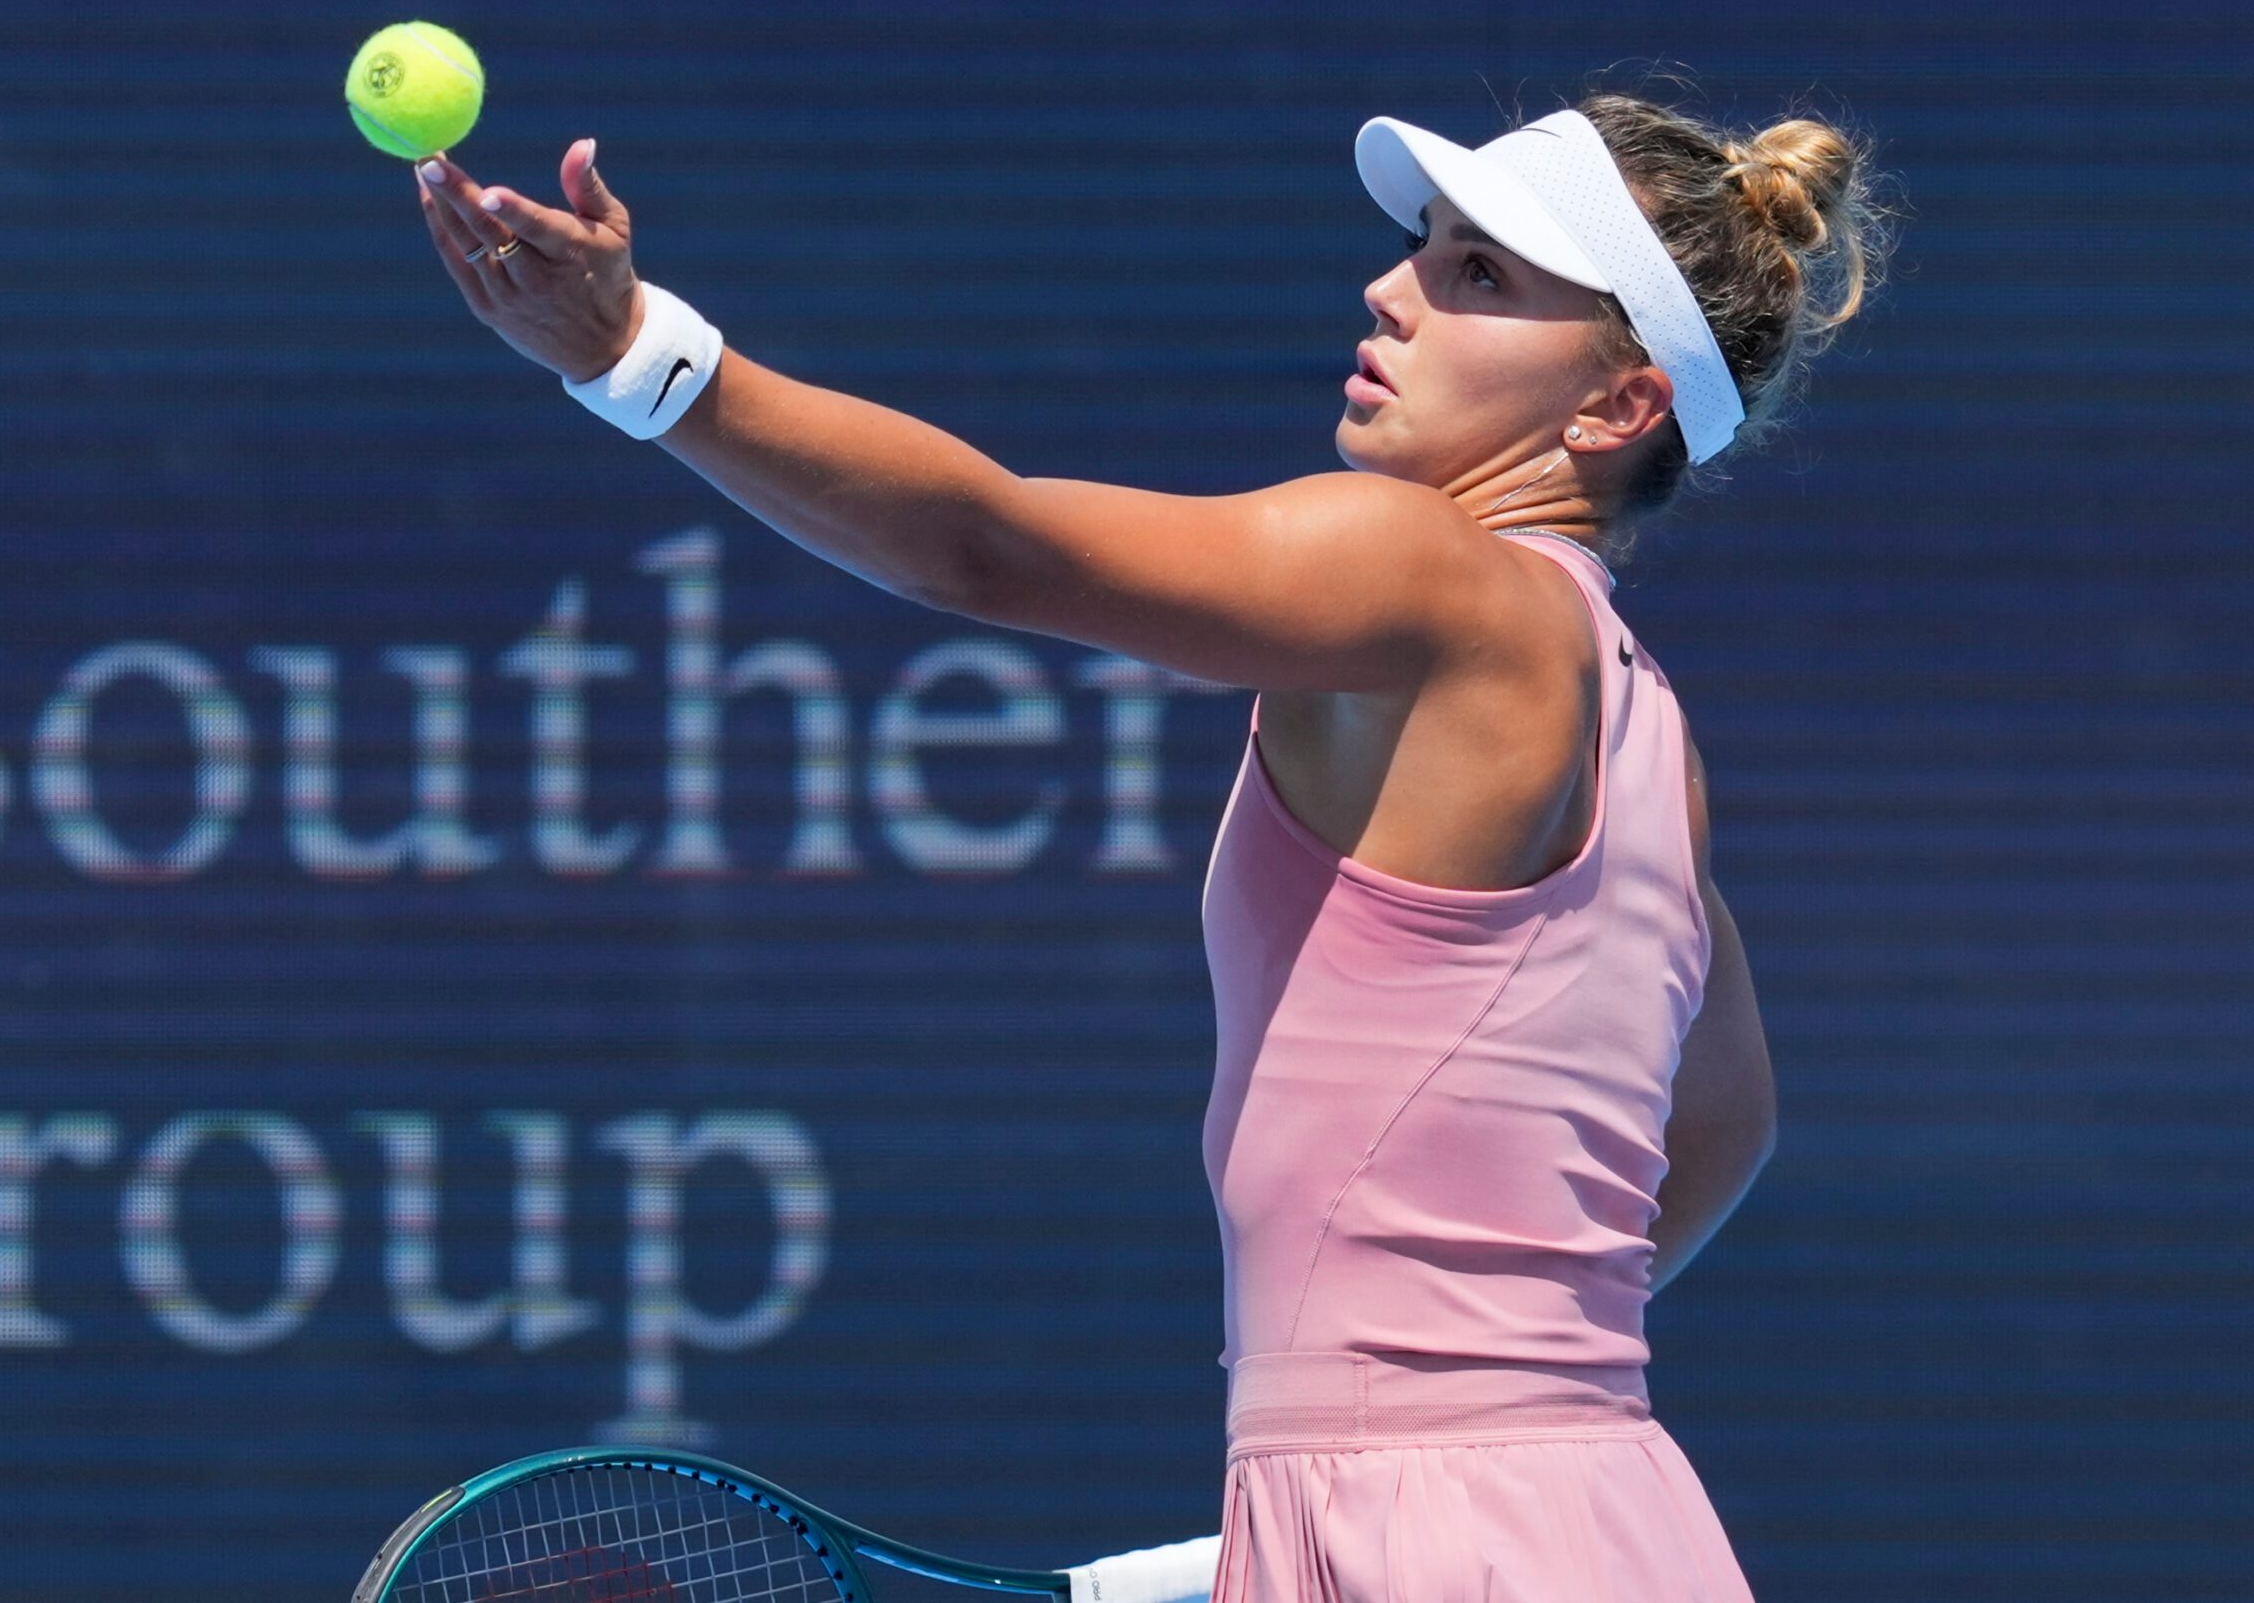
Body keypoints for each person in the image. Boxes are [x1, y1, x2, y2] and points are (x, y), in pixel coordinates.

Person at [410, 78, 1895, 1600]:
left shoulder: (1428, 574)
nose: (1391, 288)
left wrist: (636, 357)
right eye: (1426, 247)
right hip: (1612, 1521)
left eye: (1478, 276)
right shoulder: (1654, 732)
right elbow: (1729, 1116)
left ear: (1614, 405)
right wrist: (1448, 1420)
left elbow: (985, 547)